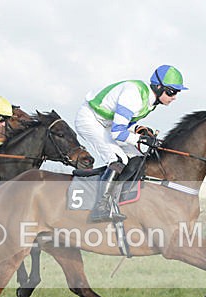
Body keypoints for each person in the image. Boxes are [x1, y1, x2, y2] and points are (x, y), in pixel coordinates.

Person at [75, 64, 187, 222]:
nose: (174, 96)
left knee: (137, 155)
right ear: (159, 87)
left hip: (107, 124)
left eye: (176, 92)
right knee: (118, 158)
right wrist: (140, 139)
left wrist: (139, 130)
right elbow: (118, 132)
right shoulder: (133, 95)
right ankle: (99, 208)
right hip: (90, 120)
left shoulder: (150, 102)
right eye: (172, 91)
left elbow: (124, 124)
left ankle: (117, 199)